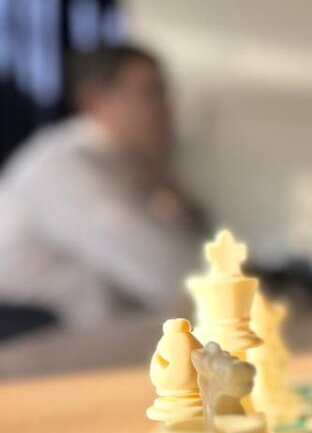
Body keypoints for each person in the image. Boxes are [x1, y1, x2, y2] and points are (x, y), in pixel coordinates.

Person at [0, 44, 202, 338]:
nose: (166, 108)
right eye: (151, 93)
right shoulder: (65, 167)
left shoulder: (130, 165)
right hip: (33, 342)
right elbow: (165, 274)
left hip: (89, 337)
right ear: (95, 99)